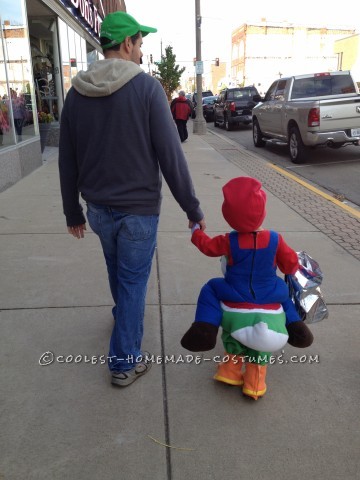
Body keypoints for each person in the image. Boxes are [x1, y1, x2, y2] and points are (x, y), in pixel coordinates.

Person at [58, 11, 206, 388]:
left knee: (117, 270)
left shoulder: (76, 93)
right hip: (138, 211)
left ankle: (122, 315)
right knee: (133, 281)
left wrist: (72, 211)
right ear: (126, 44)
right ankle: (124, 362)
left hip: (99, 211)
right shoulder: (145, 89)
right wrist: (192, 207)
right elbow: (170, 154)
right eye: (140, 44)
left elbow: (67, 159)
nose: (141, 51)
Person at [181, 176, 313, 398]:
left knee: (211, 288)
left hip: (236, 300)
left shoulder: (228, 241)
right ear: (262, 210)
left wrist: (196, 231)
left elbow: (206, 246)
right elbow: (290, 266)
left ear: (229, 215)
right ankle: (256, 382)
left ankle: (212, 340)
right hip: (268, 299)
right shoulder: (275, 239)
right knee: (282, 296)